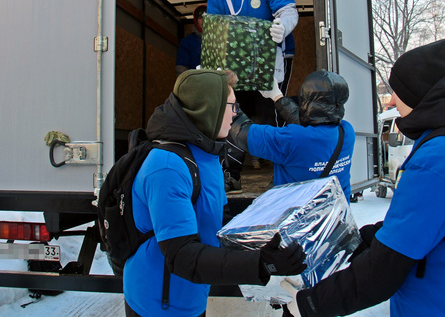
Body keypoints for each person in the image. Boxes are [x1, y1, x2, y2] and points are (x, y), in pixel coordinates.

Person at [280, 39, 445, 316]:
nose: (392, 101)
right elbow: (420, 222)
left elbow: (384, 270)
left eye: (398, 92)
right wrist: (359, 240)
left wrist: (308, 304)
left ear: (418, 94)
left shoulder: (443, 159)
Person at [123, 69, 307, 317]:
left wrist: (266, 247)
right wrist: (262, 264)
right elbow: (182, 256)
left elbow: (219, 225)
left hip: (192, 296)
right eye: (231, 106)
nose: (236, 113)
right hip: (157, 304)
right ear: (208, 110)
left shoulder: (208, 156)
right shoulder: (167, 168)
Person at [203, 0, 299, 191]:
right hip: (235, 66)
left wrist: (282, 26)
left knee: (272, 115)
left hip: (272, 59)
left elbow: (288, 11)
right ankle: (231, 176)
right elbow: (214, 31)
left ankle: (281, 175)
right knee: (232, 114)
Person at [228, 70, 355, 204]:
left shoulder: (291, 139)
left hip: (295, 216)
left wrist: (226, 96)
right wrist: (277, 97)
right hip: (335, 213)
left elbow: (242, 133)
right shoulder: (346, 132)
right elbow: (308, 130)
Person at [175, 4, 207, 76]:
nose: (203, 20)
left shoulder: (218, 41)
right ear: (196, 20)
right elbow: (181, 68)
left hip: (216, 81)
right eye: (200, 18)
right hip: (195, 81)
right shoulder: (187, 42)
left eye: (206, 17)